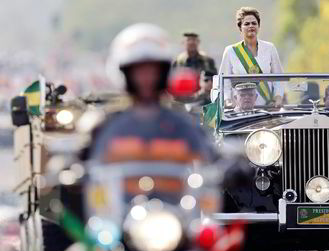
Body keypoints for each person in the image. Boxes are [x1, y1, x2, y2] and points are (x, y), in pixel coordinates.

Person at [91, 23, 215, 163]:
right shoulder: (104, 125)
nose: (146, 78)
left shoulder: (183, 123)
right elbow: (82, 163)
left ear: (164, 73)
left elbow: (208, 160)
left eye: (153, 71)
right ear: (125, 74)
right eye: (139, 71)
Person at [219, 7, 284, 107]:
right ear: (240, 28)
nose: (251, 26)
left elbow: (279, 78)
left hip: (267, 108)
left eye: (254, 23)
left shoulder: (270, 48)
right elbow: (224, 83)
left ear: (258, 26)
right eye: (246, 24)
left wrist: (278, 97)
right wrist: (227, 101)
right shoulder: (230, 51)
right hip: (240, 110)